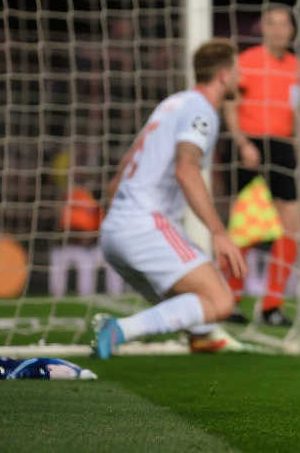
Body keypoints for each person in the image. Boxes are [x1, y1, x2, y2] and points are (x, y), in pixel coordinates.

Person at [92, 39, 249, 358]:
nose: (239, 78)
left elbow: (119, 175)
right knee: (220, 302)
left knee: (193, 306)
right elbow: (186, 170)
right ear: (223, 75)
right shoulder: (201, 111)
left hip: (115, 231)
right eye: (236, 71)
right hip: (145, 224)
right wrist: (218, 232)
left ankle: (203, 337)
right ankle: (118, 330)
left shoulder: (172, 103)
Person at [223, 5, 300, 327]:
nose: (279, 30)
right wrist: (241, 142)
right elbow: (230, 104)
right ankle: (230, 300)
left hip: (283, 147)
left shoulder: (297, 67)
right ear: (262, 28)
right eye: (272, 23)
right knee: (245, 227)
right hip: (251, 146)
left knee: (292, 227)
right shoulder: (247, 61)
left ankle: (272, 305)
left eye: (284, 24)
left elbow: (298, 112)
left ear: (292, 30)